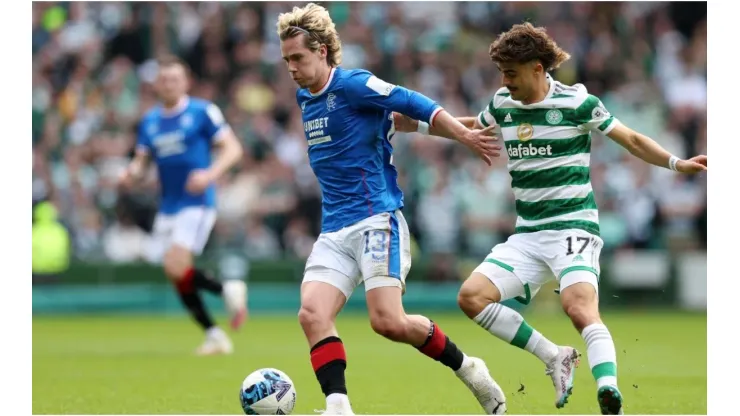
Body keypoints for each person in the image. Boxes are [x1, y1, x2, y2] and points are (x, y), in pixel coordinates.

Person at [393, 22, 708, 416]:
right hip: (528, 234)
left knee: (578, 307)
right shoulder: (503, 104)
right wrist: (418, 125)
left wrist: (677, 164)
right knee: (471, 297)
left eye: (512, 73)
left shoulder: (579, 104)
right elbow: (474, 127)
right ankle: (554, 356)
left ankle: (608, 390)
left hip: (574, 227)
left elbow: (631, 139)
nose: (505, 82)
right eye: (502, 74)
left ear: (538, 69)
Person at [276, 3, 506, 415]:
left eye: (298, 57)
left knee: (388, 323)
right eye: (286, 59)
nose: (291, 67)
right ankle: (339, 406)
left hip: (376, 221)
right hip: (334, 230)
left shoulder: (353, 84)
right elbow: (389, 122)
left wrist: (463, 135)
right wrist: (461, 126)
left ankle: (468, 367)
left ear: (323, 52)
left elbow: (409, 102)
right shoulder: (305, 98)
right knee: (312, 314)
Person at [119, 55, 248, 356]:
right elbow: (141, 162)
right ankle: (215, 329)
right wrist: (130, 174)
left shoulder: (203, 112)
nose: (169, 84)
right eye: (164, 80)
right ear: (156, 85)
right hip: (168, 205)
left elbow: (233, 149)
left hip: (197, 202)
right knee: (176, 271)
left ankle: (226, 294)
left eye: (175, 79)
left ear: (186, 81)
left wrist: (209, 174)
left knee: (176, 264)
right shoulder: (150, 121)